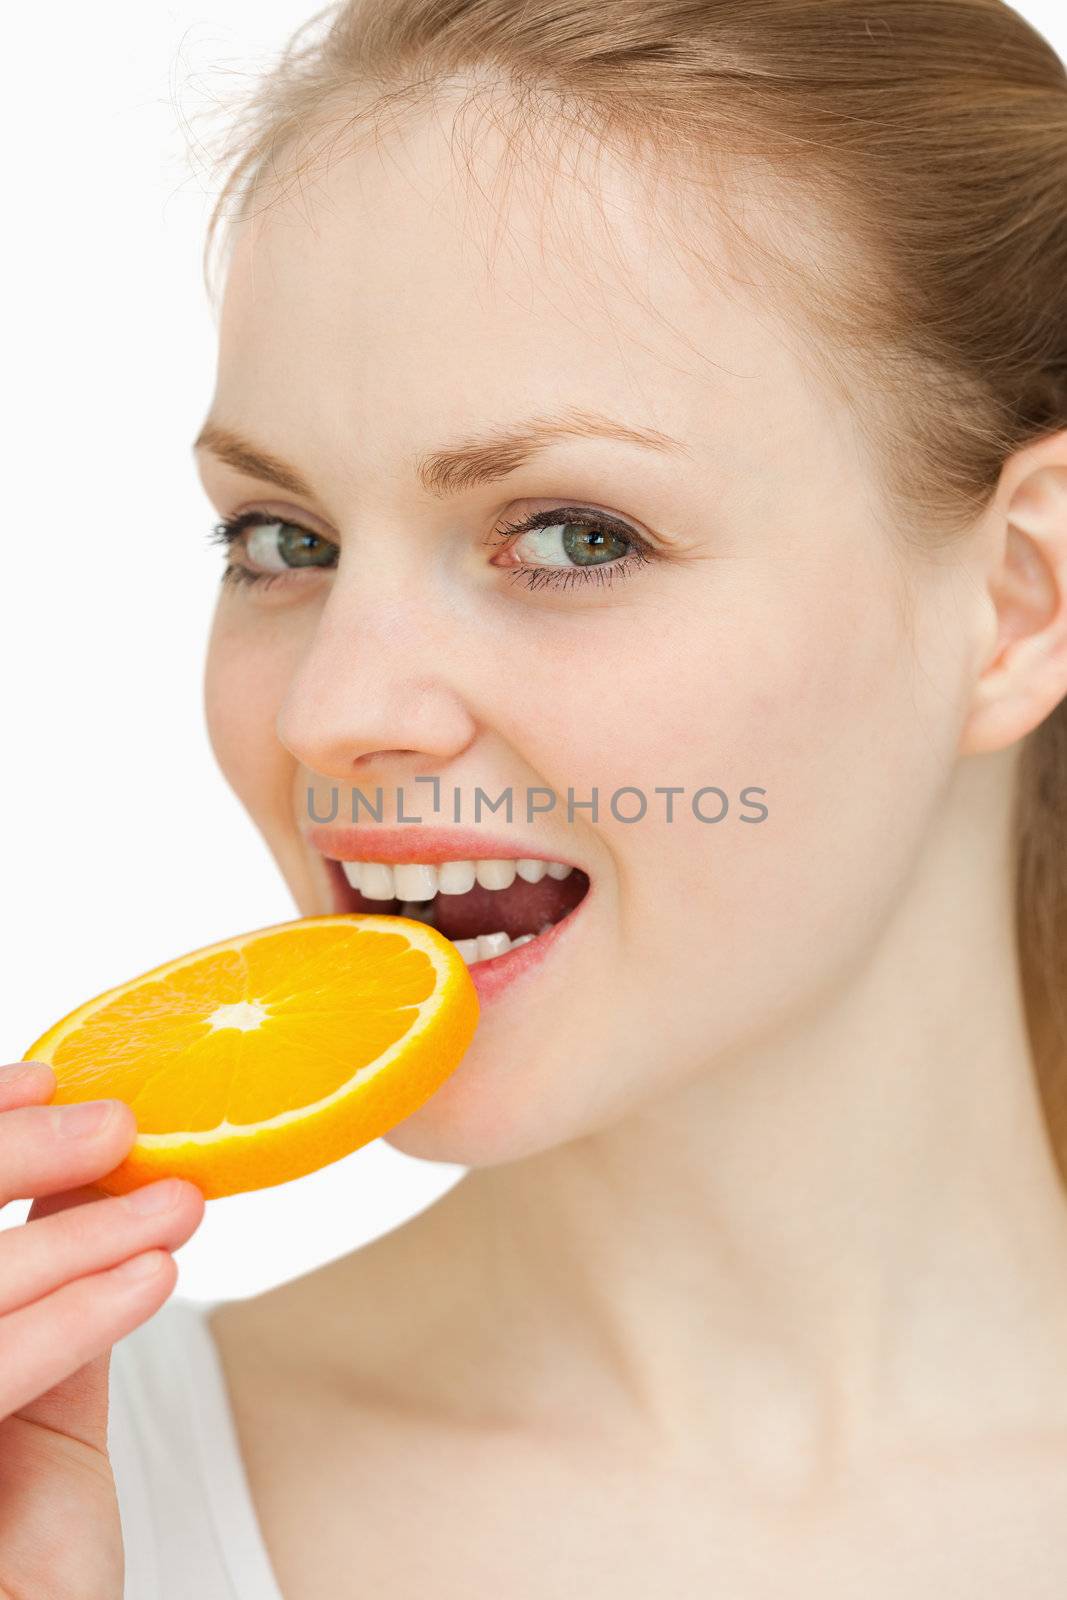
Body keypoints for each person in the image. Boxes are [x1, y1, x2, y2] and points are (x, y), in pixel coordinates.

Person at [5, 0, 1067, 1594]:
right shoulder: (68, 1497)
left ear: (1016, 598)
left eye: (573, 535)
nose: (335, 711)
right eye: (283, 541)